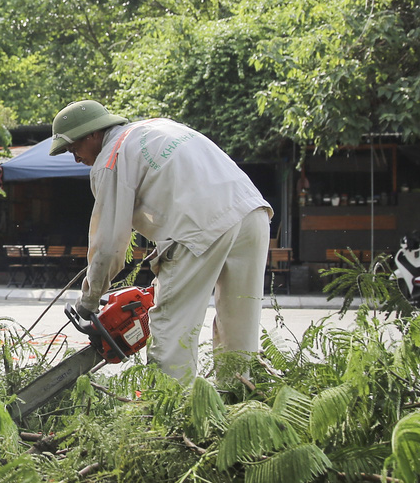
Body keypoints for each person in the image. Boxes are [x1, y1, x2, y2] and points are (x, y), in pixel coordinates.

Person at [48, 101, 272, 381]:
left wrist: (90, 300)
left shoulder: (112, 157)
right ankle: (242, 404)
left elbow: (109, 245)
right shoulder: (157, 127)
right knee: (240, 328)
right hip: (252, 213)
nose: (76, 158)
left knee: (170, 328)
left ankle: (170, 413)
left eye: (73, 149)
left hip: (198, 226)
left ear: (92, 134)